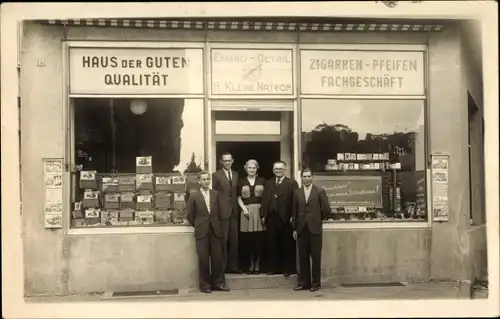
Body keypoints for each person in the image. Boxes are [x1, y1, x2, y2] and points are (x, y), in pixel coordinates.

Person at [187, 171, 230, 293]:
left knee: (218, 258)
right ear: (199, 181)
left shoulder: (215, 194)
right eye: (204, 179)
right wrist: (198, 225)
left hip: (215, 230)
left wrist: (219, 227)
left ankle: (218, 283)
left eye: (208, 179)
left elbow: (221, 212)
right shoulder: (194, 196)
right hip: (202, 231)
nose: (206, 181)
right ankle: (205, 285)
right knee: (203, 259)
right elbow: (190, 215)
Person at [292, 168, 331, 292]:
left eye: (309, 176)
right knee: (302, 257)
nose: (307, 179)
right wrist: (294, 228)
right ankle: (304, 283)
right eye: (304, 176)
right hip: (301, 228)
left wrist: (317, 219)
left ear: (312, 177)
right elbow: (294, 211)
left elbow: (326, 209)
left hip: (315, 229)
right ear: (301, 178)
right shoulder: (297, 193)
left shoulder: (320, 191)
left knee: (315, 257)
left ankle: (315, 283)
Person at [261, 160, 298, 277]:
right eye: (276, 169)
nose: (278, 171)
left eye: (280, 169)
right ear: (273, 170)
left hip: (286, 218)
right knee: (272, 243)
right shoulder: (269, 183)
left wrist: (293, 216)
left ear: (285, 170)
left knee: (286, 244)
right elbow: (265, 200)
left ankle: (288, 269)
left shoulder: (292, 183)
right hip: (272, 217)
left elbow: (295, 201)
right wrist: (263, 215)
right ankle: (274, 268)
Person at [212, 152, 241, 274]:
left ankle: (233, 267)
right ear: (221, 162)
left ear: (232, 161)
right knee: (222, 241)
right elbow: (213, 194)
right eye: (225, 161)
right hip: (222, 212)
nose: (227, 163)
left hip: (234, 211)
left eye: (229, 160)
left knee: (234, 241)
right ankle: (222, 268)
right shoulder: (215, 175)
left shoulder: (236, 174)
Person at [237, 159, 266, 274]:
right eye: (249, 168)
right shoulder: (241, 181)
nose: (252, 170)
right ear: (246, 168)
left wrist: (263, 212)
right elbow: (238, 197)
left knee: (258, 239)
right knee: (248, 240)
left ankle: (258, 263)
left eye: (254, 168)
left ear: (257, 168)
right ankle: (250, 264)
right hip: (246, 211)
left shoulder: (263, 180)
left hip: (259, 210)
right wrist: (244, 209)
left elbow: (265, 198)